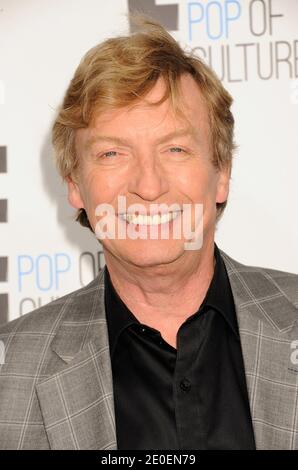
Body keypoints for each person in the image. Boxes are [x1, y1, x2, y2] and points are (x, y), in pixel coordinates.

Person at [0, 15, 297, 451]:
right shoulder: (11, 372)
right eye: (112, 153)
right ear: (74, 185)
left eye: (175, 148)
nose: (149, 186)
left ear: (222, 174)